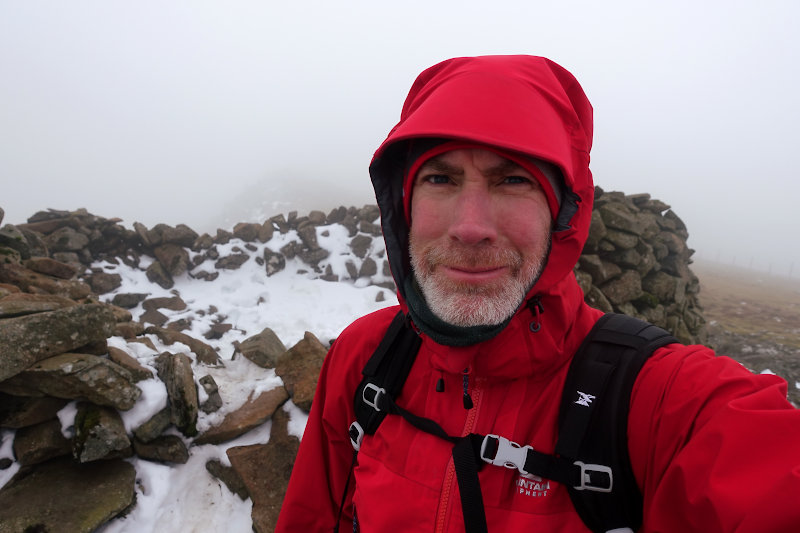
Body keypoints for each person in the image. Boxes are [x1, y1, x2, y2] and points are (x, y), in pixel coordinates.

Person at [275, 55, 800, 532]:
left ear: (564, 213)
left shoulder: (657, 399)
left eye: (513, 181)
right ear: (402, 206)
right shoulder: (367, 357)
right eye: (440, 178)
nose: (470, 227)